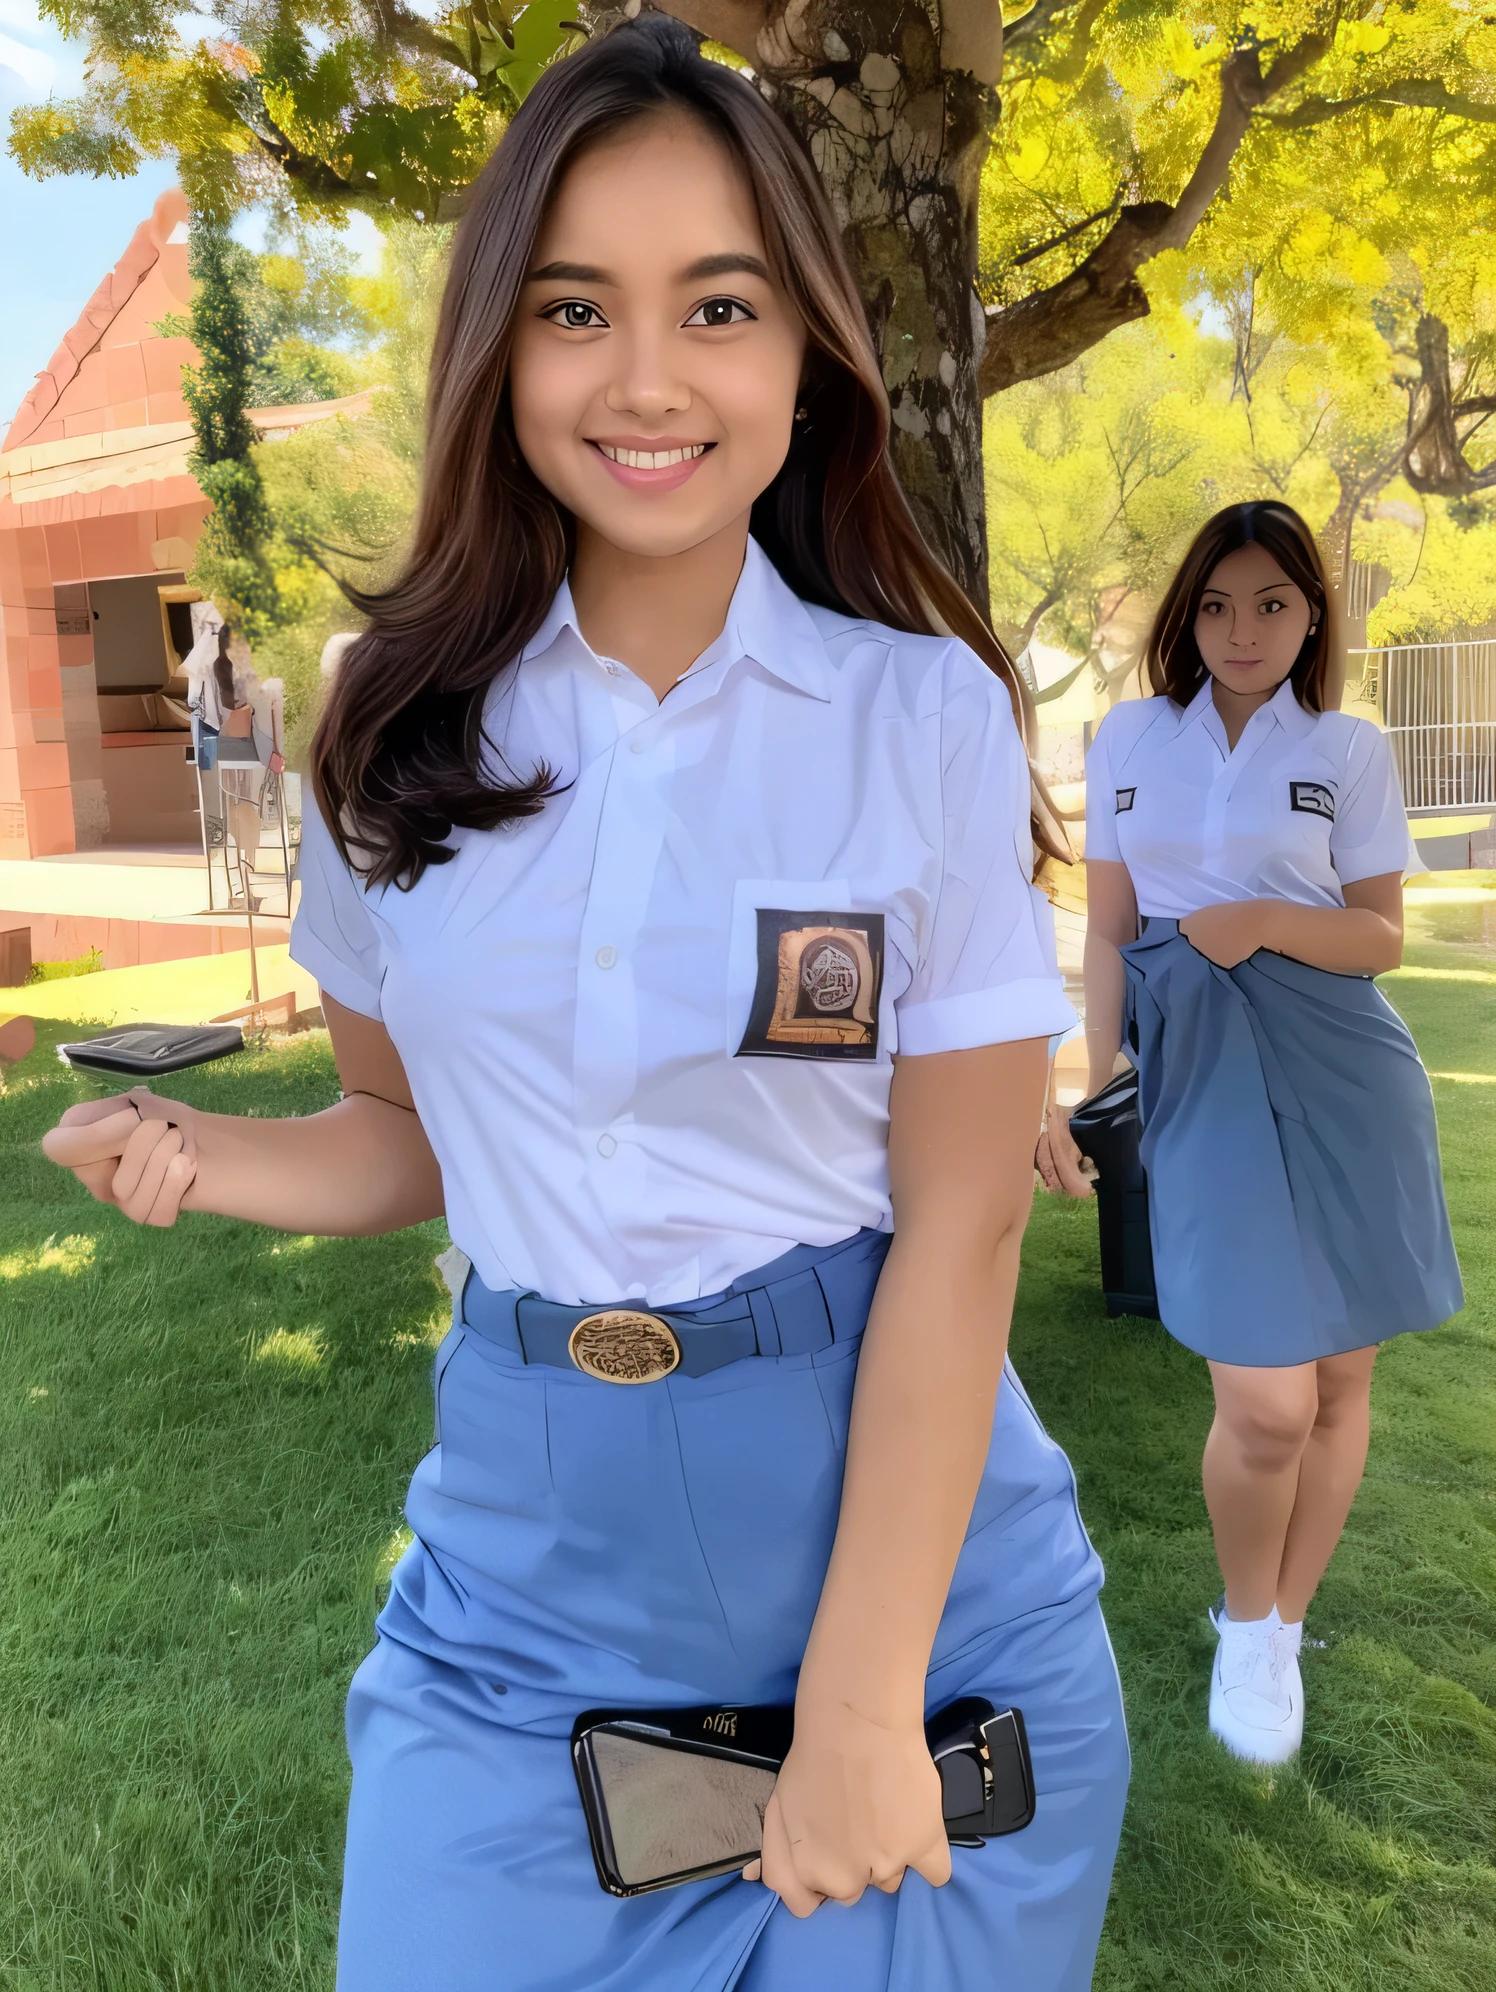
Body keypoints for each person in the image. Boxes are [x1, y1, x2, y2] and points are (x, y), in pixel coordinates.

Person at [42, 18, 1129, 1988]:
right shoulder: (386, 722)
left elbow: (966, 1218)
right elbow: (403, 1143)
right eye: (574, 308)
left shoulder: (920, 723)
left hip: (918, 1598)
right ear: (497, 352)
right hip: (521, 1594)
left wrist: (868, 1706)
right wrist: (211, 1159)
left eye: (717, 304)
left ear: (801, 346)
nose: (648, 378)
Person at [1038, 500, 1462, 1767]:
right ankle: (1241, 1615)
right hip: (1198, 1064)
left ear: (1308, 616)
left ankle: (1280, 1627)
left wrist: (1262, 922)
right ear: (1184, 616)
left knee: (1338, 1380)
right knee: (1266, 1400)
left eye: (1270, 604)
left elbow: (1379, 936)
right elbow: (1109, 925)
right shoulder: (1127, 736)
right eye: (1215, 604)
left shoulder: (1346, 746)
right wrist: (1092, 1079)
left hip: (1341, 1064)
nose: (1240, 630)